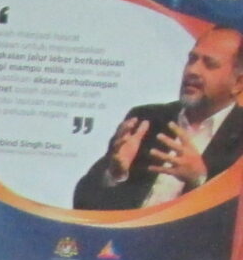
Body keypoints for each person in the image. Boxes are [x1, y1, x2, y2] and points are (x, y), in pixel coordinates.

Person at [73, 25, 242, 210]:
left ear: (238, 83)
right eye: (192, 59)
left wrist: (200, 180)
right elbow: (82, 203)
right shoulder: (146, 120)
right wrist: (114, 174)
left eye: (209, 64)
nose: (193, 70)